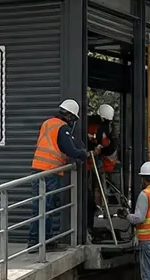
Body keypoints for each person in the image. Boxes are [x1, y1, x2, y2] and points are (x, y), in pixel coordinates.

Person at [30, 98, 94, 247]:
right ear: (70, 115)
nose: (73, 122)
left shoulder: (48, 123)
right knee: (47, 206)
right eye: (74, 118)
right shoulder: (62, 127)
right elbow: (69, 149)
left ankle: (36, 241)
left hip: (38, 169)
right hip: (50, 172)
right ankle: (44, 243)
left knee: (39, 206)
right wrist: (83, 154)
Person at [85, 104, 119, 228]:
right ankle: (99, 209)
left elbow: (104, 145)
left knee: (96, 189)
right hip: (94, 162)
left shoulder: (98, 126)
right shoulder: (101, 128)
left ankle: (99, 208)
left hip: (97, 162)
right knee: (95, 189)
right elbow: (103, 144)